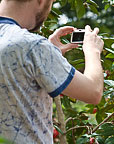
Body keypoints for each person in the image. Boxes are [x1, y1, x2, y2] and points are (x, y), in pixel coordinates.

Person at [0, 0, 104, 143]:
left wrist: (49, 54)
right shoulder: (32, 46)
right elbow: (93, 92)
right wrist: (93, 51)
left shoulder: (32, 47)